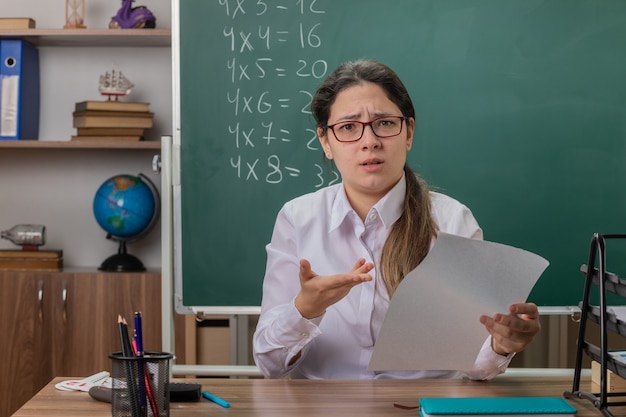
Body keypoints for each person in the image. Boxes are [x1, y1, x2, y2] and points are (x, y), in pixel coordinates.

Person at [252, 58, 540, 380]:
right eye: (348, 127)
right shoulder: (297, 219)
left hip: (422, 407)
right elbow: (270, 364)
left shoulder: (451, 221)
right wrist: (305, 309)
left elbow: (474, 364)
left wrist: (501, 344)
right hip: (326, 407)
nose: (369, 141)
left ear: (409, 132)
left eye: (385, 123)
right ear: (326, 141)